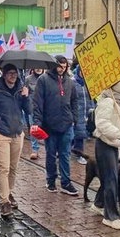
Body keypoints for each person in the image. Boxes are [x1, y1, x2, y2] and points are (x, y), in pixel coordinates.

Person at [0, 64, 30, 218]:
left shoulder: (20, 90)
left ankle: (9, 193)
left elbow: (29, 110)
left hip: (17, 133)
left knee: (13, 167)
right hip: (2, 134)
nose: (13, 76)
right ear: (3, 75)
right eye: (10, 73)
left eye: (15, 73)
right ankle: (4, 202)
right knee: (3, 168)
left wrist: (26, 96)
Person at [91, 77, 120, 230]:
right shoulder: (108, 101)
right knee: (111, 179)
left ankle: (99, 204)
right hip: (105, 144)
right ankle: (110, 216)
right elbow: (101, 124)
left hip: (111, 143)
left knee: (109, 177)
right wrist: (119, 133)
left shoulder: (117, 100)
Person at [33, 55, 79, 195]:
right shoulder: (43, 80)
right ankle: (51, 180)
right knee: (51, 155)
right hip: (50, 124)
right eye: (59, 66)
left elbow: (74, 101)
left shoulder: (70, 82)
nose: (62, 70)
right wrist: (37, 122)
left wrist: (74, 118)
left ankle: (66, 182)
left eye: (64, 67)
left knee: (65, 155)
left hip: (66, 124)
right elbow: (38, 103)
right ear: (54, 65)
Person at [71, 65, 94, 165]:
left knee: (81, 133)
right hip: (76, 111)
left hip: (86, 112)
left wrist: (92, 108)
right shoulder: (72, 82)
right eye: (82, 71)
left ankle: (77, 152)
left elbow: (91, 97)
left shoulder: (88, 83)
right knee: (76, 133)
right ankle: (76, 152)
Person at [25, 68, 43, 159]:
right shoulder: (28, 79)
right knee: (34, 127)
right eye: (37, 66)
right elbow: (25, 94)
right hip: (33, 107)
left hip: (45, 108)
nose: (39, 69)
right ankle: (35, 149)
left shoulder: (47, 79)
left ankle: (51, 149)